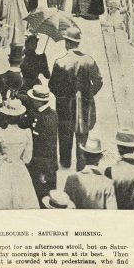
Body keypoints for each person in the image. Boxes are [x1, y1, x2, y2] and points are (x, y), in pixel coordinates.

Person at [49, 25, 103, 170]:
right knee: (83, 134)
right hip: (85, 104)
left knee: (65, 134)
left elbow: (52, 86)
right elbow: (99, 81)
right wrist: (89, 94)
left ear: (67, 42)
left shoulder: (60, 62)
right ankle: (81, 164)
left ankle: (65, 162)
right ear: (78, 42)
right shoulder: (89, 60)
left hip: (65, 105)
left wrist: (62, 96)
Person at [0, 97, 39, 209]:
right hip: (19, 168)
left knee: (1, 199)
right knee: (23, 199)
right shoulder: (26, 133)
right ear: (20, 116)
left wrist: (1, 155)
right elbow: (27, 158)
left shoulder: (0, 132)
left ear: (6, 117)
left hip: (4, 167)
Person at [64, 131, 117, 209]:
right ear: (100, 158)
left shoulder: (71, 179)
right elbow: (113, 212)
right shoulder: (108, 183)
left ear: (83, 156)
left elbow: (66, 207)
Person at [26, 79, 58, 202]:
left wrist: (44, 172)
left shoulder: (46, 119)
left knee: (43, 197)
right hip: (42, 165)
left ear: (37, 101)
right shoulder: (50, 113)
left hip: (43, 168)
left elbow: (48, 147)